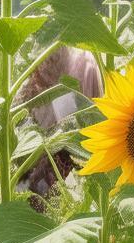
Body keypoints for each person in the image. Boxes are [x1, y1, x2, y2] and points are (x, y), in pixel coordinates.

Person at [17, 45, 102, 196]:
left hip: (67, 160)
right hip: (35, 161)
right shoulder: (32, 78)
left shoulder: (80, 67)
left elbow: (72, 139)